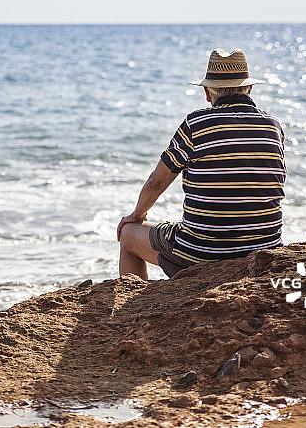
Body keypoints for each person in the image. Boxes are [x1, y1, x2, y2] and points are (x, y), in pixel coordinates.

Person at [117, 48, 286, 279]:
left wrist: (137, 214)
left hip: (202, 253)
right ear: (250, 88)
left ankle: (134, 309)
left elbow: (157, 182)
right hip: (264, 249)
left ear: (208, 92)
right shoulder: (272, 126)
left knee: (127, 234)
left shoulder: (196, 125)